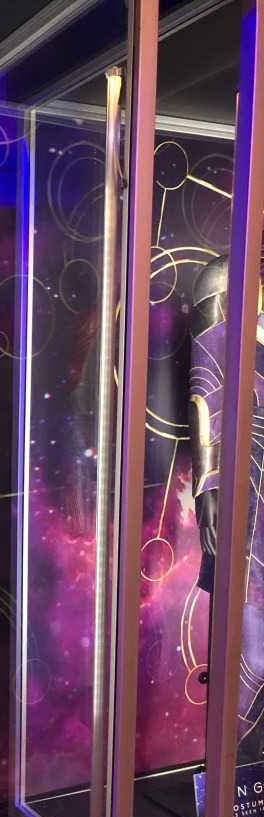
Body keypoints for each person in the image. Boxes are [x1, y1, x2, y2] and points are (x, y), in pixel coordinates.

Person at [189, 253, 264, 764]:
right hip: (252, 486)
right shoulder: (225, 281)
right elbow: (205, 392)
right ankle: (237, 775)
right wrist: (207, 485)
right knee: (252, 645)